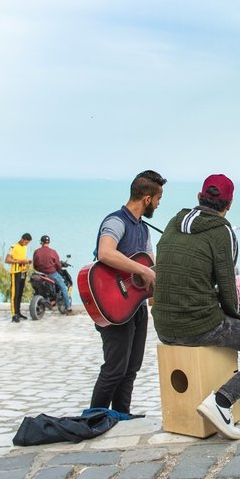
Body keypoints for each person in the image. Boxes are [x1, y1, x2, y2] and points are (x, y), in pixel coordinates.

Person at [154, 174, 240, 440]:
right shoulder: (222, 231)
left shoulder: (173, 222)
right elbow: (228, 288)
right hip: (199, 325)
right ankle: (222, 402)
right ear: (229, 204)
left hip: (162, 324)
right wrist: (236, 320)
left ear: (198, 197)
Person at [88, 170, 166, 415]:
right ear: (147, 199)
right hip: (113, 305)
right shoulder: (116, 222)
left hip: (136, 306)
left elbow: (150, 266)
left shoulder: (143, 229)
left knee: (131, 368)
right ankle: (93, 418)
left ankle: (122, 415)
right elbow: (105, 253)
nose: (158, 204)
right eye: (158, 199)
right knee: (114, 369)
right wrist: (141, 270)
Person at [33, 235, 71, 312]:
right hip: (51, 274)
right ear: (49, 242)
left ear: (41, 242)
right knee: (64, 288)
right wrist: (58, 268)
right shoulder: (53, 252)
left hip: (39, 273)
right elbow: (58, 265)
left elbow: (35, 265)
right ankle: (68, 308)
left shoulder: (36, 252)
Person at [5, 233, 32, 322]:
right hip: (15, 272)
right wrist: (20, 261)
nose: (27, 244)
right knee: (14, 293)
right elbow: (7, 260)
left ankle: (18, 312)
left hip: (23, 272)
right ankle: (14, 314)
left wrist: (27, 261)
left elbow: (22, 258)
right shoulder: (13, 247)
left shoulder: (25, 247)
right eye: (26, 242)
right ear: (22, 239)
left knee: (20, 293)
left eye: (28, 243)